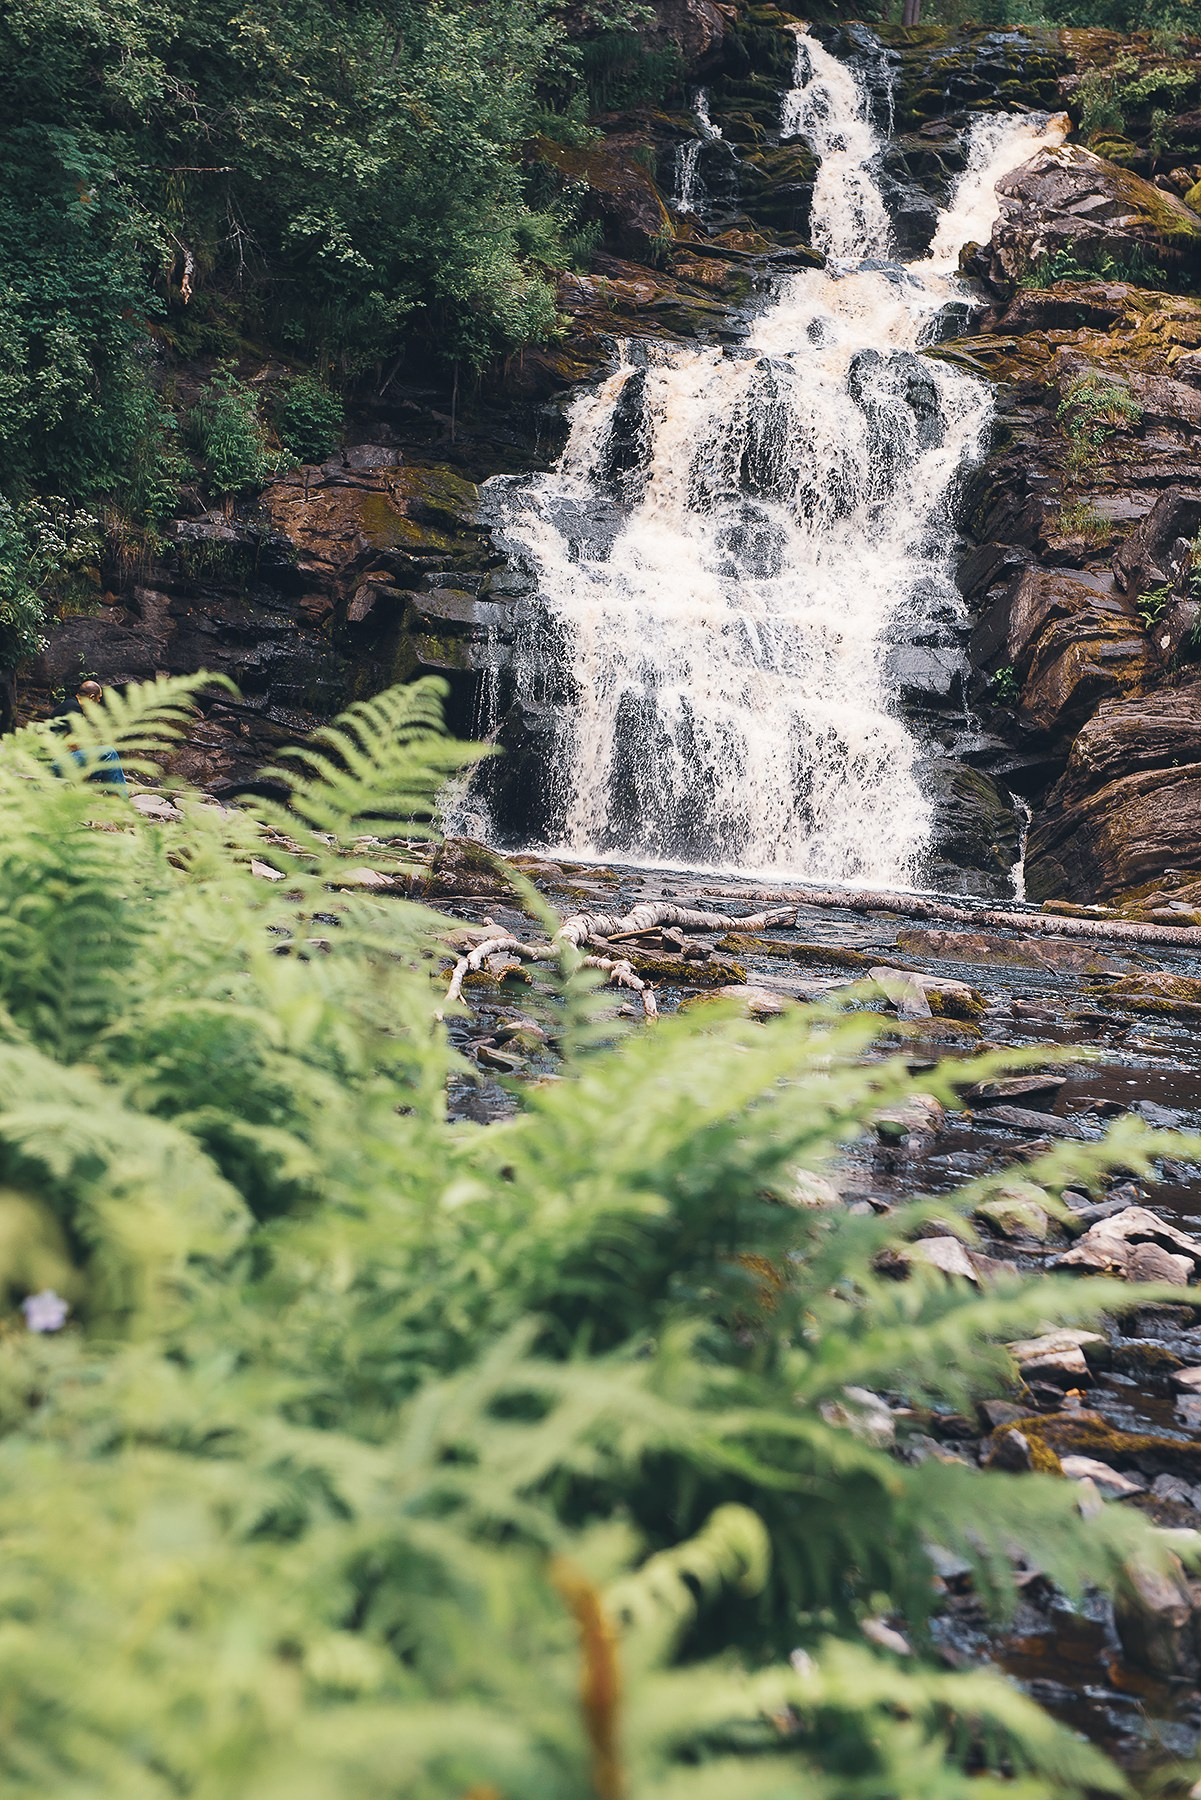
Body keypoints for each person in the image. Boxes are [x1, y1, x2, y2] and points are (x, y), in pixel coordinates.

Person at [49, 678, 129, 795]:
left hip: (59, 761)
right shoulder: (73, 708)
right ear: (91, 697)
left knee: (108, 768)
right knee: (109, 752)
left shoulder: (71, 705)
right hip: (54, 763)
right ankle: (122, 800)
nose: (99, 702)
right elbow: (71, 743)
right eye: (99, 698)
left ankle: (116, 798)